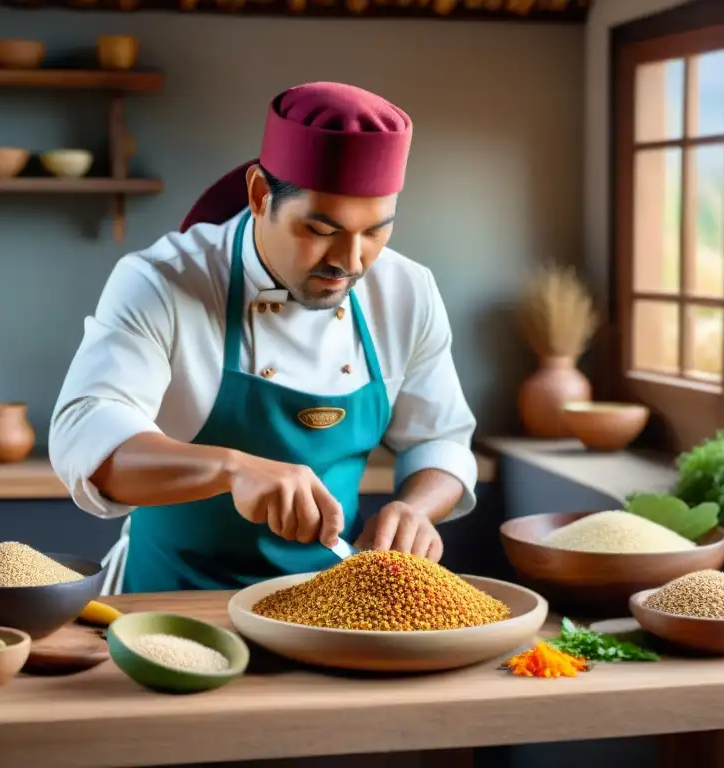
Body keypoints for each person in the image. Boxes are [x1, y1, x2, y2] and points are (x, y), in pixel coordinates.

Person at [49, 81, 478, 595]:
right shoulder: (163, 282)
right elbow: (84, 436)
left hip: (330, 606)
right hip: (171, 599)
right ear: (259, 196)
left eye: (376, 231)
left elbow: (440, 438)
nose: (351, 260)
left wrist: (416, 509)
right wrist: (230, 469)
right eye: (321, 230)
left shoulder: (407, 290)